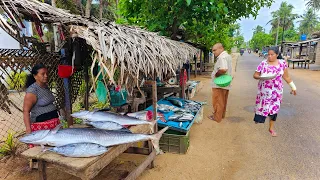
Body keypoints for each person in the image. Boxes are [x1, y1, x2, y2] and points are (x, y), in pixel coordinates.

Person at [253, 47, 297, 137]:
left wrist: (293, 87)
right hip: (264, 92)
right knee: (262, 107)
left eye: (272, 54)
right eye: (268, 54)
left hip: (276, 92)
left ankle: (271, 128)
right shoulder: (263, 63)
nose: (269, 56)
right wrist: (261, 77)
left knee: (274, 110)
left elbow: (286, 77)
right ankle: (259, 119)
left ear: (277, 55)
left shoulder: (282, 64)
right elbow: (255, 75)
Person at [23, 64, 60, 138]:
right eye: (42, 74)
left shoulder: (45, 86)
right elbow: (25, 111)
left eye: (46, 73)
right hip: (41, 128)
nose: (46, 76)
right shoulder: (32, 91)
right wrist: (28, 129)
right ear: (35, 76)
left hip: (53, 124)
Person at [209, 43, 232, 123]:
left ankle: (217, 117)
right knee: (223, 101)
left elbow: (223, 69)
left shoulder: (222, 57)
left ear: (221, 48)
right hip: (225, 82)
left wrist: (216, 75)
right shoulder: (227, 56)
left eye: (215, 50)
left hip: (219, 83)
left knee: (218, 101)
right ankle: (221, 116)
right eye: (213, 51)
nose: (213, 52)